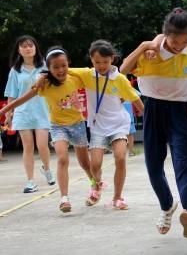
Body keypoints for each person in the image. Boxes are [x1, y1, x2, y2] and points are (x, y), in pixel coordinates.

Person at [120, 8, 187, 238]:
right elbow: (122, 70)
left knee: (183, 162)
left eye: (185, 41)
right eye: (175, 40)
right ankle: (167, 206)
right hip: (153, 109)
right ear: (165, 34)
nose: (179, 46)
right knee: (154, 165)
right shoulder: (150, 53)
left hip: (180, 111)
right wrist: (146, 45)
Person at [0, 47, 93, 212]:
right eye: (55, 67)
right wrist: (4, 110)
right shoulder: (44, 85)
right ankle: (64, 198)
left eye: (63, 65)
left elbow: (98, 75)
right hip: (58, 126)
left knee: (85, 163)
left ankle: (93, 182)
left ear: (68, 64)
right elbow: (22, 98)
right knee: (62, 158)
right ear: (48, 69)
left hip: (77, 124)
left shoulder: (75, 77)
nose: (60, 70)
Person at [69, 40, 143, 210]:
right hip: (98, 127)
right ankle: (97, 185)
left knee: (121, 157)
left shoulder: (120, 79)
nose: (101, 66)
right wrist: (44, 76)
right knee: (95, 165)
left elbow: (135, 99)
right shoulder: (87, 75)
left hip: (118, 125)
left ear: (112, 59)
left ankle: (117, 197)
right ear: (91, 60)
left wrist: (150, 118)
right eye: (97, 62)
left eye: (105, 61)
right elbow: (63, 71)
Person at [4, 35, 54, 192]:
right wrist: (8, 113)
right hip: (23, 112)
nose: (27, 48)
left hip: (42, 111)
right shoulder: (15, 70)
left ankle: (47, 169)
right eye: (24, 46)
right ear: (19, 50)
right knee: (28, 146)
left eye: (30, 45)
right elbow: (11, 94)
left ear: (35, 48)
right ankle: (30, 181)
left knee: (42, 145)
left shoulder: (45, 66)